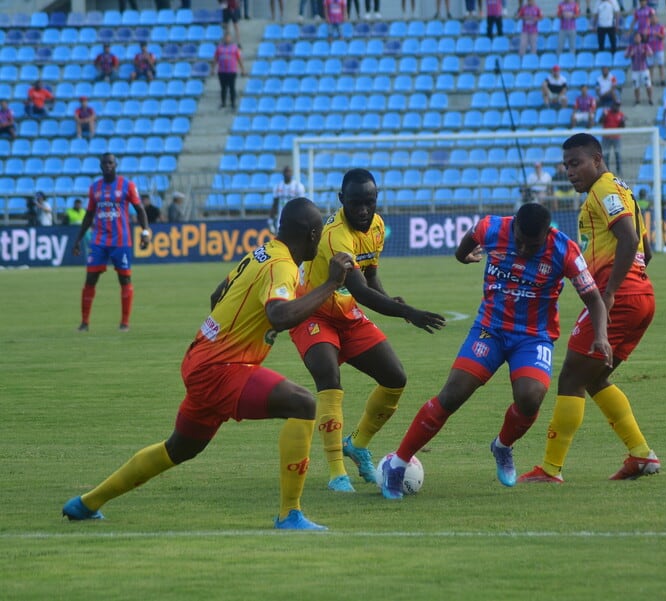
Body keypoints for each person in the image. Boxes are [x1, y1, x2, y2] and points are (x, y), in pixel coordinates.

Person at [62, 198, 356, 531]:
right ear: (313, 234)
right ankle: (290, 515)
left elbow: (218, 294)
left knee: (178, 448)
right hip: (221, 367)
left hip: (202, 360)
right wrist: (332, 283)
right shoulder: (282, 265)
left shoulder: (260, 253)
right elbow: (279, 314)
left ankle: (86, 503)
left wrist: (232, 329)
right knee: (302, 404)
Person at [380, 204, 611, 499]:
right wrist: (464, 256)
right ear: (513, 226)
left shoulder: (564, 249)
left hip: (533, 337)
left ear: (547, 234)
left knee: (530, 399)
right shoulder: (491, 228)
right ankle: (397, 465)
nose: (525, 248)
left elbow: (593, 298)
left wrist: (601, 336)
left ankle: (502, 446)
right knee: (452, 394)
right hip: (490, 329)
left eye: (534, 243)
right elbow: (466, 244)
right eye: (520, 241)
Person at [288, 169, 446, 493]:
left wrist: (390, 301)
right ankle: (337, 473)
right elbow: (360, 290)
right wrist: (407, 311)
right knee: (329, 379)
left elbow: (371, 276)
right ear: (342, 200)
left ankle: (358, 444)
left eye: (369, 202)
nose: (363, 210)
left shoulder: (376, 226)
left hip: (346, 312)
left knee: (395, 377)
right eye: (356, 203)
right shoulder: (336, 236)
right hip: (312, 312)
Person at [519, 133, 659, 484]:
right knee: (596, 378)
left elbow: (628, 238)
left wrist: (610, 292)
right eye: (566, 165)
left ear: (597, 160)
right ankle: (641, 454)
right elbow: (646, 249)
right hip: (640, 294)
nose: (570, 171)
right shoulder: (619, 189)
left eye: (576, 163)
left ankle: (550, 469)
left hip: (620, 296)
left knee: (572, 377)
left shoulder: (604, 191)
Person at [73, 153, 151, 333]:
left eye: (111, 163)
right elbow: (89, 215)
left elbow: (140, 210)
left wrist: (145, 232)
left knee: (124, 279)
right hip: (99, 240)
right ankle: (84, 323)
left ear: (116, 165)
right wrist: (78, 239)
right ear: (100, 166)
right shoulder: (95, 188)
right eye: (105, 163)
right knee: (90, 279)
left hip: (121, 241)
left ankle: (124, 323)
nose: (108, 165)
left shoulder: (127, 185)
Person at [212, 32, 245, 111]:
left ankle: (233, 103)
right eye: (226, 37)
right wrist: (212, 69)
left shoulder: (234, 48)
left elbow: (239, 59)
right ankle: (223, 103)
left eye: (228, 37)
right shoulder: (219, 48)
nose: (227, 39)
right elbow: (215, 59)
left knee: (232, 88)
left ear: (230, 38)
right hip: (222, 71)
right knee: (223, 88)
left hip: (232, 71)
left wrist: (242, 69)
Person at [270, 166, 307, 233]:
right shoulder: (278, 187)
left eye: (289, 172)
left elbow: (302, 205)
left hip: (295, 219)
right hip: (281, 219)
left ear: (291, 173)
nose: (287, 174)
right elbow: (275, 205)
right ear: (283, 173)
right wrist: (270, 220)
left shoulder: (298, 186)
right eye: (286, 172)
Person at [625, 32, 653, 105]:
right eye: (636, 38)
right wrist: (629, 54)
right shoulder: (631, 47)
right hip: (635, 70)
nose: (637, 39)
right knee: (636, 86)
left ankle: (650, 99)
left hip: (644, 69)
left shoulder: (645, 46)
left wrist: (646, 53)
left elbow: (651, 53)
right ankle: (637, 100)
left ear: (640, 38)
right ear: (634, 39)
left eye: (638, 37)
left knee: (648, 84)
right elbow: (625, 56)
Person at [599, 102, 625, 173]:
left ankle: (619, 171)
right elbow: (600, 121)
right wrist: (604, 115)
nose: (617, 107)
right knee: (606, 155)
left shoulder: (621, 114)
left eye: (618, 106)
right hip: (606, 137)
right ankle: (606, 171)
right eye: (615, 105)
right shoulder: (606, 113)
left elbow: (622, 127)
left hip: (616, 137)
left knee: (618, 154)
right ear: (612, 106)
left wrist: (623, 121)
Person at [647, 13, 666, 85]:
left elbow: (663, 36)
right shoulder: (648, 27)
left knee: (660, 64)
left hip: (659, 48)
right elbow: (645, 38)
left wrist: (658, 34)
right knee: (650, 65)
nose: (653, 20)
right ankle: (650, 80)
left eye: (655, 18)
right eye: (652, 18)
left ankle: (662, 79)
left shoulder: (661, 27)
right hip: (650, 48)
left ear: (657, 19)